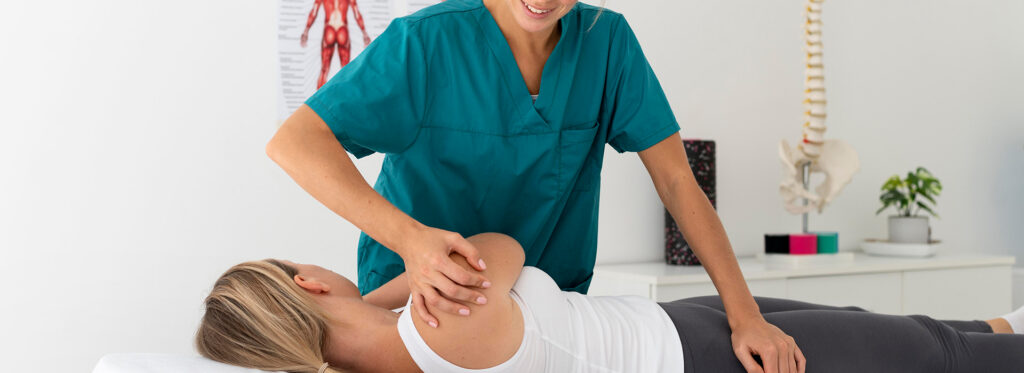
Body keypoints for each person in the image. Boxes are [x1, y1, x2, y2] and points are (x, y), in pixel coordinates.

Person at [266, 0, 800, 368]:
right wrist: (411, 241)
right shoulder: (426, 43)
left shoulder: (606, 42)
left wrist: (745, 316)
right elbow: (295, 142)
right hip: (422, 303)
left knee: (816, 322)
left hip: (548, 320)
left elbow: (678, 180)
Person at [195, 232, 1024, 373]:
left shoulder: (407, 340)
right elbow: (507, 244)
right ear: (307, 281)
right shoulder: (437, 316)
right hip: (705, 356)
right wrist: (381, 292)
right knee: (940, 355)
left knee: (906, 330)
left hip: (680, 322)